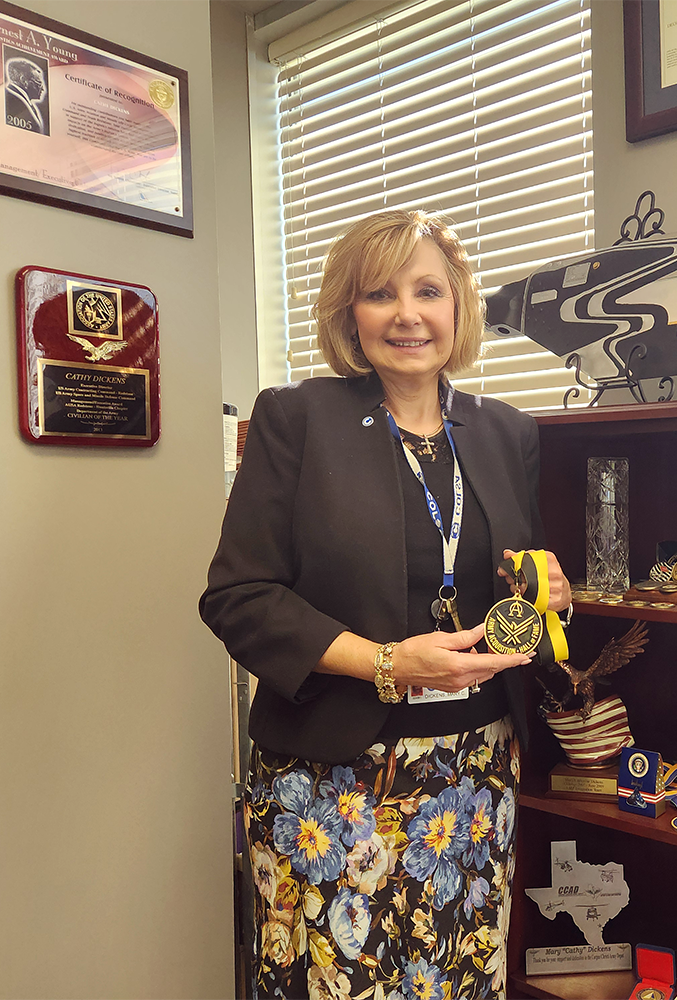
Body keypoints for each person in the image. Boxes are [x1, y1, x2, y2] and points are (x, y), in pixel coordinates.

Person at [200, 209, 570, 999]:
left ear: (458, 306)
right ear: (350, 314)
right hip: (332, 784)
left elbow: (515, 581)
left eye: (428, 291)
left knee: (461, 975)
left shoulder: (508, 433)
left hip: (476, 778)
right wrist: (386, 663)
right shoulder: (296, 420)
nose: (407, 314)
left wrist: (547, 595)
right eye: (380, 294)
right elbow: (239, 598)